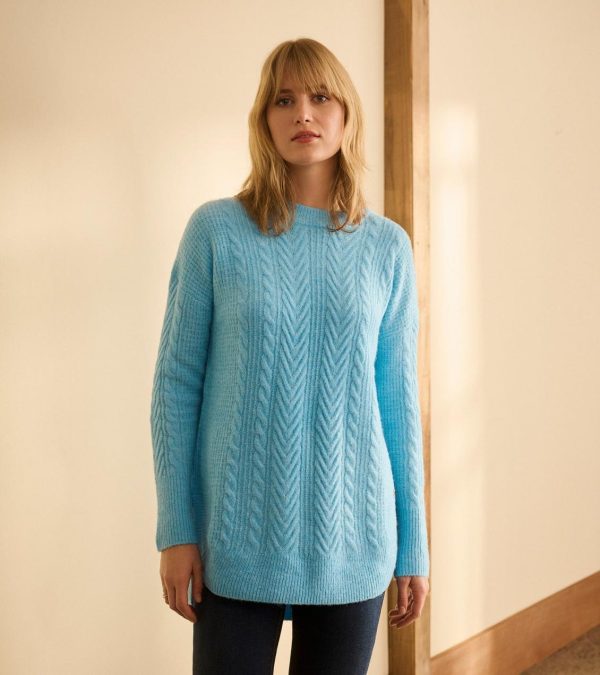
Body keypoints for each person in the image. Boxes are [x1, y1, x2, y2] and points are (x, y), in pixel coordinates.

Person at [150, 37, 430, 674]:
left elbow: (397, 402)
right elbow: (175, 385)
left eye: (320, 96)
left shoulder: (387, 247)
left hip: (355, 537)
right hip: (235, 541)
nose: (303, 113)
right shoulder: (216, 231)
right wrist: (177, 529)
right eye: (284, 100)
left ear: (346, 114)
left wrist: (413, 546)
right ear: (264, 119)